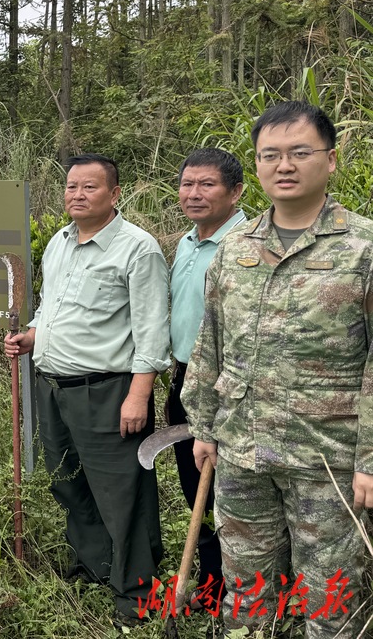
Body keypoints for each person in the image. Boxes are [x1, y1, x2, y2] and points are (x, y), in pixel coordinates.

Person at [183, 102, 373, 638]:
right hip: (242, 450)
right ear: (258, 165)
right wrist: (203, 426)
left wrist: (370, 460)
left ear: (331, 161)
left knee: (333, 596)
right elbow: (211, 342)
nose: (283, 165)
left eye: (299, 153)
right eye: (270, 155)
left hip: (328, 459)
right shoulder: (235, 247)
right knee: (245, 592)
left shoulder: (363, 246)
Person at [3, 153, 169, 627]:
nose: (77, 194)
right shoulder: (58, 243)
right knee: (70, 483)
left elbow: (152, 332)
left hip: (108, 392)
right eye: (71, 186)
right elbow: (55, 311)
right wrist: (30, 337)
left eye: (89, 187)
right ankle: (94, 564)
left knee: (122, 493)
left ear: (115, 194)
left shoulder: (138, 249)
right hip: (55, 388)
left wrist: (138, 396)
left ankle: (136, 594)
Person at [167, 148, 244, 609]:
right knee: (194, 486)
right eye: (187, 184)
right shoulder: (187, 242)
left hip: (226, 387)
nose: (193, 194)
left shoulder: (246, 244)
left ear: (236, 192)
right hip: (184, 380)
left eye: (207, 185)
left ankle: (237, 593)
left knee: (229, 492)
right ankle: (212, 584)